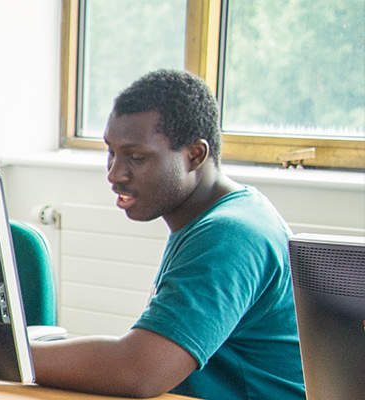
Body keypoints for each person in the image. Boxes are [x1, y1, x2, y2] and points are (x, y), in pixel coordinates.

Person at [30, 70, 304, 398]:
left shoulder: (231, 234)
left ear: (195, 156)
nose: (114, 173)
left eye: (136, 157)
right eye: (111, 152)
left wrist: (5, 353)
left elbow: (139, 372)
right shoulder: (214, 218)